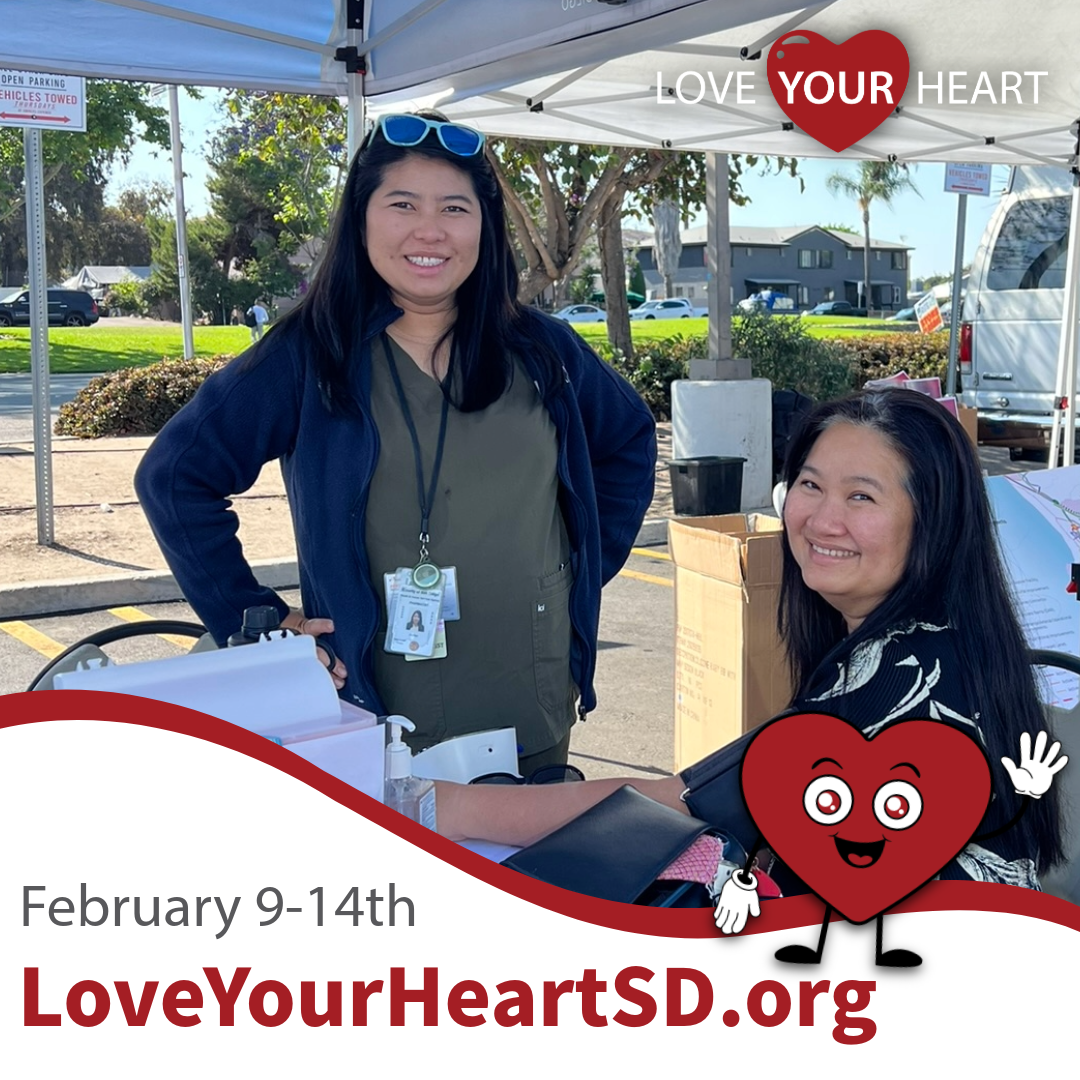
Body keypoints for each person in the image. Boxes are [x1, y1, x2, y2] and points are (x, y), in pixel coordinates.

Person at [135, 112, 656, 773]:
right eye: (402, 204)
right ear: (361, 218)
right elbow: (176, 478)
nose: (429, 229)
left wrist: (575, 576)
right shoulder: (310, 353)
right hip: (372, 722)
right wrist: (257, 617)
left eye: (455, 208)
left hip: (531, 705)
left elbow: (629, 440)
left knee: (521, 870)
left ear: (484, 227)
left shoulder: (541, 348)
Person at [435, 388, 1064, 896]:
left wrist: (445, 808)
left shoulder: (897, 672)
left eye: (861, 496)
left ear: (933, 519)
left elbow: (676, 801)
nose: (822, 519)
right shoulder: (944, 640)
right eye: (810, 485)